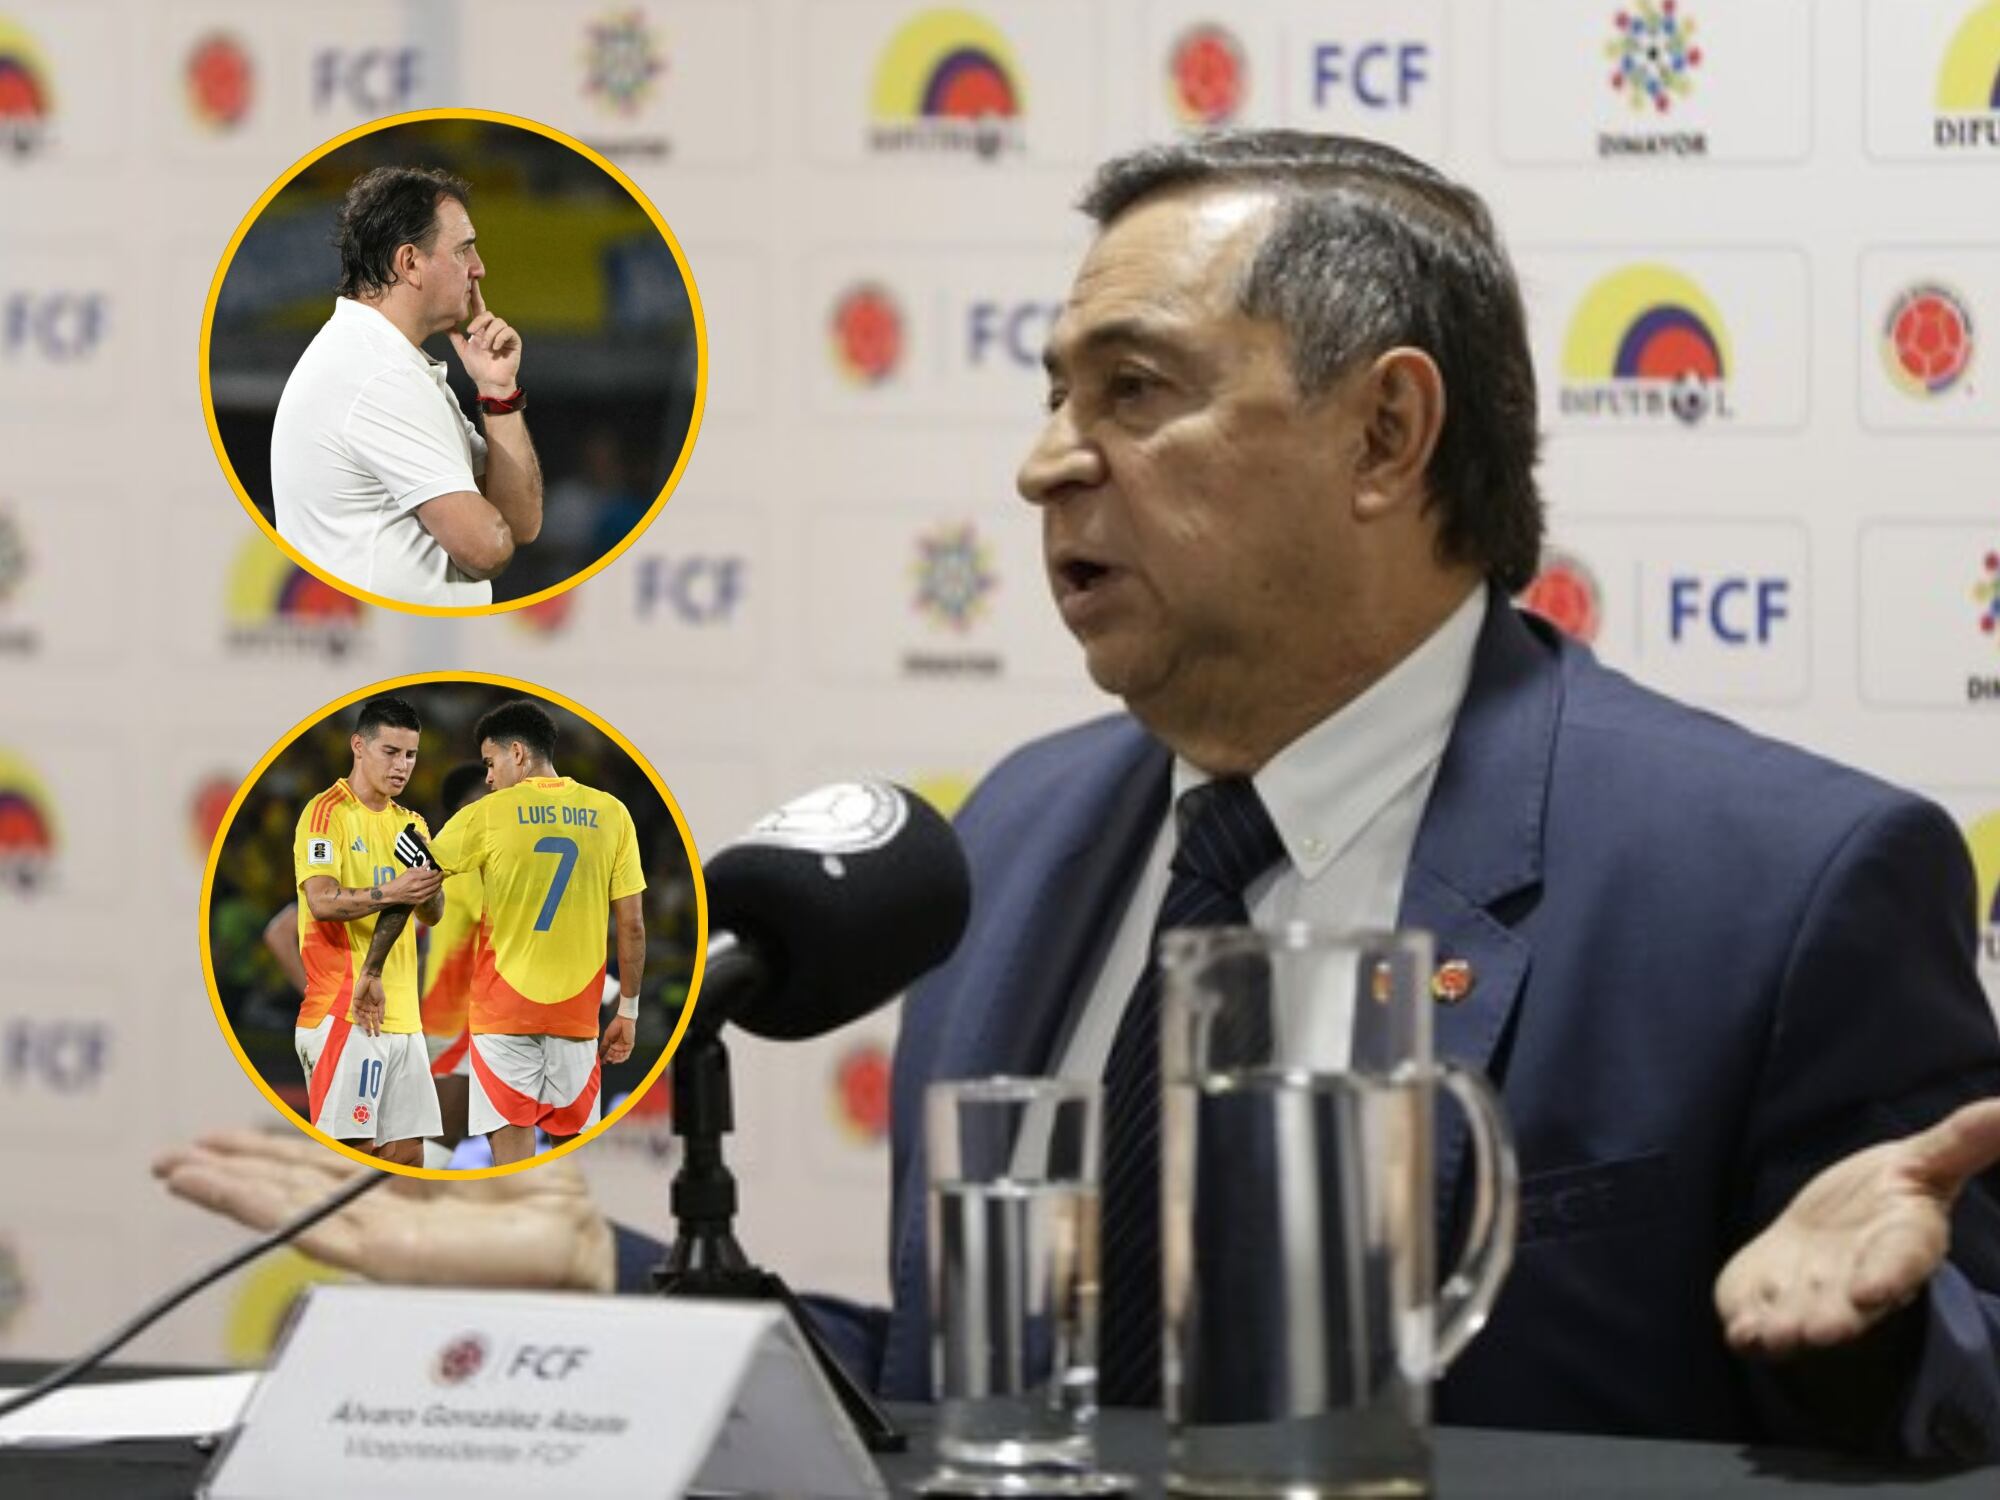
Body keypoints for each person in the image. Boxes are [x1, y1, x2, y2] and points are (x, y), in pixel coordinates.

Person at [163, 132, 2000, 1459]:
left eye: (1136, 391)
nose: (1047, 462)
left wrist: (1867, 1334)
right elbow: (999, 1397)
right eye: (1054, 392)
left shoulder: (1784, 884)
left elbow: (1947, 1402)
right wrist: (617, 1286)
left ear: (1388, 434)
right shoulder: (1018, 838)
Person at [351, 700, 646, 1166]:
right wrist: (627, 1009)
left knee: (508, 1159)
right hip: (576, 1016)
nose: (487, 778)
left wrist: (371, 967)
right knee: (567, 1165)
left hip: (499, 1014)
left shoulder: (487, 815)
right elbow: (631, 925)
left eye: (490, 764)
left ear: (517, 754)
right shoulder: (612, 813)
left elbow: (414, 885)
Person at [270, 165, 543, 608]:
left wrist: (499, 393)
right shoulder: (376, 375)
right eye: (464, 251)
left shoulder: (390, 363)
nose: (479, 268)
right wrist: (484, 522)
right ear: (410, 263)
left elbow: (519, 523)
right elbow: (486, 548)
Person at [290, 695, 445, 1167]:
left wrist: (427, 872)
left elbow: (433, 913)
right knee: (351, 1167)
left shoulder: (411, 823)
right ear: (359, 746)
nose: (402, 766)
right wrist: (393, 890)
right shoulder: (326, 814)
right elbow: (321, 901)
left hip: (404, 1018)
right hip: (346, 1010)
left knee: (408, 1162)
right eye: (391, 752)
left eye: (411, 755)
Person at [415, 761, 490, 1166]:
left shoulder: (442, 865)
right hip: (458, 1025)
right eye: (478, 805)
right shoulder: (466, 867)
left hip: (459, 1022)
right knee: (439, 1145)